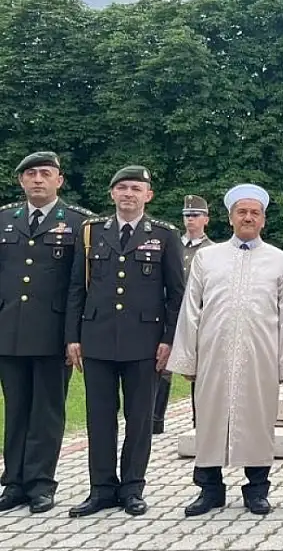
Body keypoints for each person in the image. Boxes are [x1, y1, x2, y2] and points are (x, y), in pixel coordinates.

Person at [167, 184, 283, 516]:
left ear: (263, 220)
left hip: (260, 355)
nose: (248, 217)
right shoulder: (206, 257)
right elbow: (190, 310)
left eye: (254, 212)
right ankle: (209, 488)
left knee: (258, 421)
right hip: (213, 352)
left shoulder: (280, 260)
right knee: (210, 419)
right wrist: (188, 356)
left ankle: (257, 489)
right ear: (230, 218)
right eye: (241, 212)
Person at [65, 165, 186, 517]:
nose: (128, 194)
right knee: (99, 418)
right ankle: (101, 488)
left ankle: (133, 488)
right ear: (112, 194)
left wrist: (168, 340)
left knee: (139, 419)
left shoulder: (164, 235)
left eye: (136, 188)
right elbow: (77, 287)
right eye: (122, 188)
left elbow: (176, 294)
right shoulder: (91, 233)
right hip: (97, 338)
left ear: (148, 195)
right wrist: (72, 336)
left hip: (144, 342)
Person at [0, 151, 93, 514]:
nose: (38, 179)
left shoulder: (77, 223)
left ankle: (41, 483)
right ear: (21, 181)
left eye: (45, 173)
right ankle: (14, 483)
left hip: (54, 334)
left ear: (59, 180)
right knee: (16, 409)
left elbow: (78, 287)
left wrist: (75, 336)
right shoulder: (4, 219)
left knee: (48, 411)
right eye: (31, 174)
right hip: (9, 331)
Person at [153, 194, 213, 434]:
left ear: (206, 219)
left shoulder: (211, 250)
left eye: (195, 215)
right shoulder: (172, 243)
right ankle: (155, 421)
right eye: (187, 215)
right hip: (169, 311)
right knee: (161, 365)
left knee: (198, 368)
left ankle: (200, 422)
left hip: (196, 314)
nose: (190, 220)